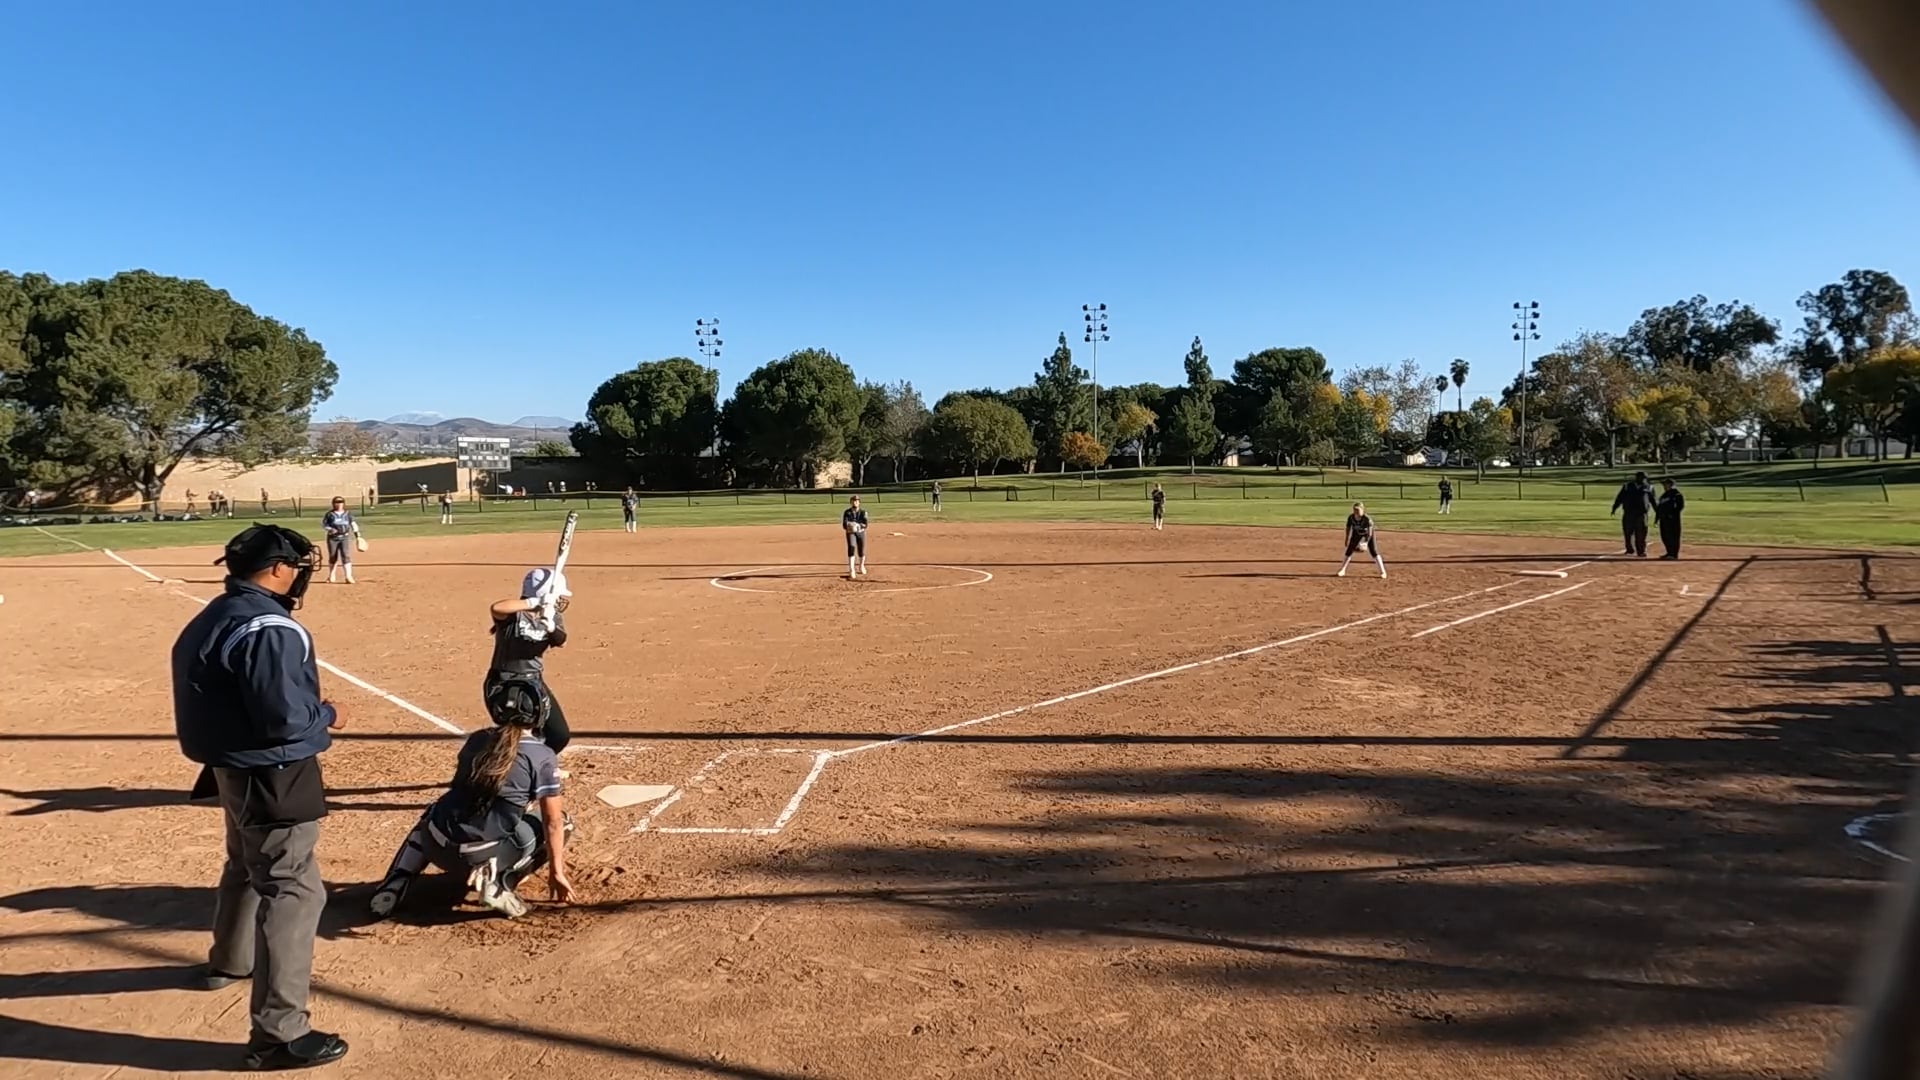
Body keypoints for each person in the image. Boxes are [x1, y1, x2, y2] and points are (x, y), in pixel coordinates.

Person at [171, 524, 349, 1070]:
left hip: (229, 768)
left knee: (246, 865)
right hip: (273, 772)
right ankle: (278, 1033)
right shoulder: (270, 627)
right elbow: (285, 719)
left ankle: (229, 960)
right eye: (295, 565)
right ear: (276, 569)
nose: (299, 575)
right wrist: (328, 714)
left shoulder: (216, 612)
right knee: (294, 888)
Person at [366, 674, 577, 921]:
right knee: (563, 823)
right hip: (478, 856)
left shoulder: (477, 739)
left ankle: (394, 883)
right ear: (539, 712)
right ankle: (499, 883)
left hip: (435, 844)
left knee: (433, 813)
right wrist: (556, 872)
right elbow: (552, 822)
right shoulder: (541, 755)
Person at [487, 569, 572, 755]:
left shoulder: (551, 615)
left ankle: (537, 763)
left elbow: (562, 641)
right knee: (511, 737)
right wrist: (534, 603)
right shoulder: (514, 615)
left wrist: (551, 627)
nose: (560, 600)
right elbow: (497, 608)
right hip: (505, 682)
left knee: (559, 736)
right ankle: (492, 764)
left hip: (533, 681)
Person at [1610, 471, 1657, 558]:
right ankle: (1629, 549)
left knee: (1641, 533)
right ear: (1636, 478)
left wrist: (1657, 512)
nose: (1642, 480)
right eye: (1641, 478)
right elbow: (1620, 497)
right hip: (1629, 512)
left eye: (1644, 478)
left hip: (1642, 514)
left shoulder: (1649, 487)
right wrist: (1615, 507)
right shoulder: (1627, 486)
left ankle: (1641, 551)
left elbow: (1653, 500)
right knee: (1628, 532)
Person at [1338, 502, 1386, 579]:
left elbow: (1370, 533)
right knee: (1349, 550)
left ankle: (1383, 572)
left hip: (1367, 534)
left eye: (1358, 510)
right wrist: (1347, 539)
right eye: (1355, 510)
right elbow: (1348, 528)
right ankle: (1342, 570)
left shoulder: (1367, 519)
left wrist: (1365, 543)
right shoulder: (1351, 518)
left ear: (1363, 510)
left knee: (1374, 551)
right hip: (1356, 533)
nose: (1356, 511)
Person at [321, 497, 357, 584]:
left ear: (344, 503)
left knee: (345, 555)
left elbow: (353, 523)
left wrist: (357, 535)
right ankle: (332, 575)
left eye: (341, 502)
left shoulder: (347, 513)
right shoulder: (330, 514)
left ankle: (348, 576)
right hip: (333, 538)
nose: (339, 504)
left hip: (344, 537)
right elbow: (324, 524)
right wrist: (330, 529)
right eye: (337, 502)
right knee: (333, 556)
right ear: (333, 503)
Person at [1654, 478, 1685, 559]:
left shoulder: (1677, 494)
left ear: (1670, 485)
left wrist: (1672, 514)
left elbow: (1680, 506)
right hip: (1664, 519)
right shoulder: (1664, 495)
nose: (1664, 486)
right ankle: (1669, 552)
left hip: (1673, 520)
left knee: (1673, 536)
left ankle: (1673, 554)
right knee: (1665, 536)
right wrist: (1657, 518)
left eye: (1665, 484)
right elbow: (1659, 508)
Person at [842, 495, 869, 578]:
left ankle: (861, 566)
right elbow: (844, 524)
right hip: (851, 533)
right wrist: (850, 525)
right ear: (851, 502)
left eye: (857, 501)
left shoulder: (863, 512)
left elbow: (866, 524)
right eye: (853, 501)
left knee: (861, 550)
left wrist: (859, 525)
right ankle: (852, 569)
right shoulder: (847, 512)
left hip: (860, 532)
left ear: (859, 502)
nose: (855, 502)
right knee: (851, 547)